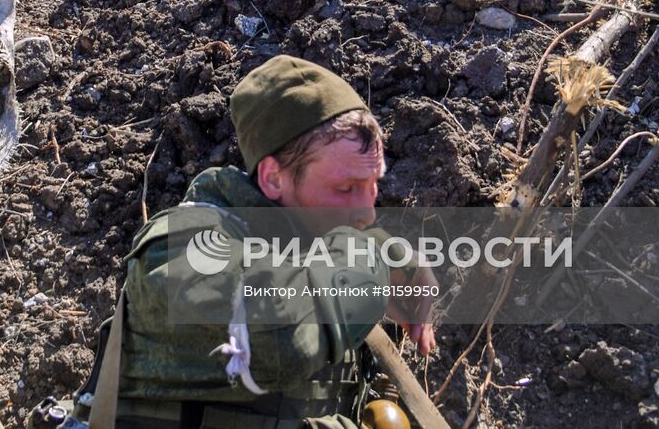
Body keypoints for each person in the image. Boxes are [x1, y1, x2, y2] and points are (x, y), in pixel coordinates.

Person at [74, 55, 439, 429]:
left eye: (372, 185)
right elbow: (279, 339)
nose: (368, 213)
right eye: (345, 188)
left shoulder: (314, 254)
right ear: (273, 179)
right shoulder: (179, 244)